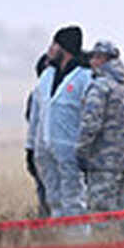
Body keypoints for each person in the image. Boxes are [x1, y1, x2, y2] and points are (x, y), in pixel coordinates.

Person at [32, 25, 94, 228]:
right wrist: (31, 146)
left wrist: (87, 149)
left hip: (71, 151)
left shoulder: (84, 78)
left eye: (54, 45)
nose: (49, 49)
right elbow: (36, 114)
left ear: (64, 48)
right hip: (45, 149)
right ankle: (59, 240)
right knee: (54, 200)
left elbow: (91, 115)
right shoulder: (46, 76)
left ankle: (78, 243)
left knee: (74, 202)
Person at [77, 40, 124, 234]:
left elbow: (90, 125)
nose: (91, 62)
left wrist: (81, 152)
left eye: (94, 57)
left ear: (102, 59)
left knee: (100, 215)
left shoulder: (100, 87)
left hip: (102, 163)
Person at [24, 54, 52, 217]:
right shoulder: (36, 94)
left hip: (45, 151)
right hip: (39, 152)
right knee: (44, 197)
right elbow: (32, 123)